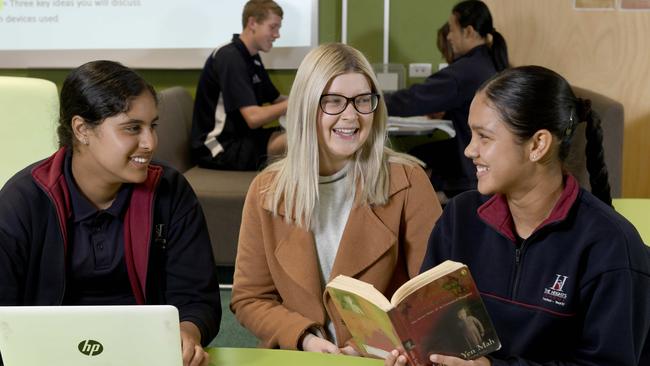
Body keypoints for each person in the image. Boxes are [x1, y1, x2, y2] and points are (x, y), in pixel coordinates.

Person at [386, 66, 650, 366]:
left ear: (538, 145)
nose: (470, 150)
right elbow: (430, 329)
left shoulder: (611, 246)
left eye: (484, 137)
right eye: (471, 135)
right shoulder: (459, 218)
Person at [0, 61, 221, 366]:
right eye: (132, 128)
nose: (150, 143)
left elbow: (198, 298)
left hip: (148, 358)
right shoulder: (21, 201)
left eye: (153, 126)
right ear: (82, 130)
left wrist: (188, 332)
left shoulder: (170, 191)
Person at [230, 43, 443, 353]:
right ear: (306, 106)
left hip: (383, 358)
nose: (351, 116)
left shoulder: (409, 181)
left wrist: (373, 345)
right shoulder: (266, 190)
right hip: (300, 355)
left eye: (362, 101)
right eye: (333, 102)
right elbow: (250, 298)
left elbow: (435, 298)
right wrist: (304, 338)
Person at [385, 0, 509, 199]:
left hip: (472, 163)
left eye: (452, 29)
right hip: (489, 156)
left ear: (468, 31)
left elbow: (412, 100)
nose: (449, 36)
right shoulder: (487, 61)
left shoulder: (464, 72)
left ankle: (423, 205)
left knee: (413, 158)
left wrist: (369, 102)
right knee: (423, 153)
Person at [191, 0, 288, 171]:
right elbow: (254, 118)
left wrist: (312, 100)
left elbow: (277, 100)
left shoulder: (252, 57)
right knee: (302, 141)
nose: (277, 35)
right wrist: (296, 102)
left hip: (243, 138)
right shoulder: (229, 57)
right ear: (252, 23)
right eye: (273, 27)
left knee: (303, 135)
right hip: (217, 147)